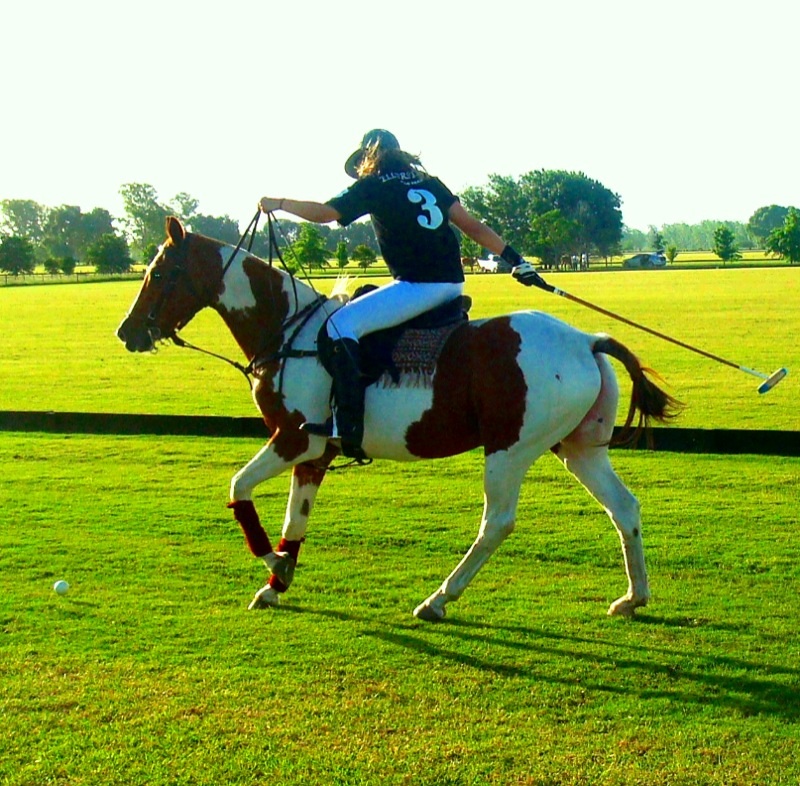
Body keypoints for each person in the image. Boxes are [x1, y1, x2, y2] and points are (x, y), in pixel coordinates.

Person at [258, 129, 547, 461]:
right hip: (452, 284)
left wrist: (280, 204)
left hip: (417, 286)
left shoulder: (373, 185)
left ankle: (345, 423)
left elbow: (326, 213)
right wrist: (515, 260)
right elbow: (473, 226)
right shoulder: (429, 182)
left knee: (339, 325)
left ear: (368, 158)